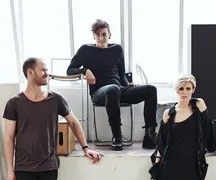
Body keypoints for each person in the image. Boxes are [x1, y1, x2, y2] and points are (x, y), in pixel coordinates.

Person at [66, 19, 158, 151]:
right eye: (97, 34)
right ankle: (117, 136)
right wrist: (85, 70)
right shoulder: (86, 49)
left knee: (150, 89)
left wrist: (128, 85)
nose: (101, 37)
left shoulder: (117, 49)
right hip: (99, 93)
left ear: (110, 34)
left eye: (103, 34)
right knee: (112, 89)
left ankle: (150, 136)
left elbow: (121, 74)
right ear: (93, 36)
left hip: (119, 89)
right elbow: (69, 70)